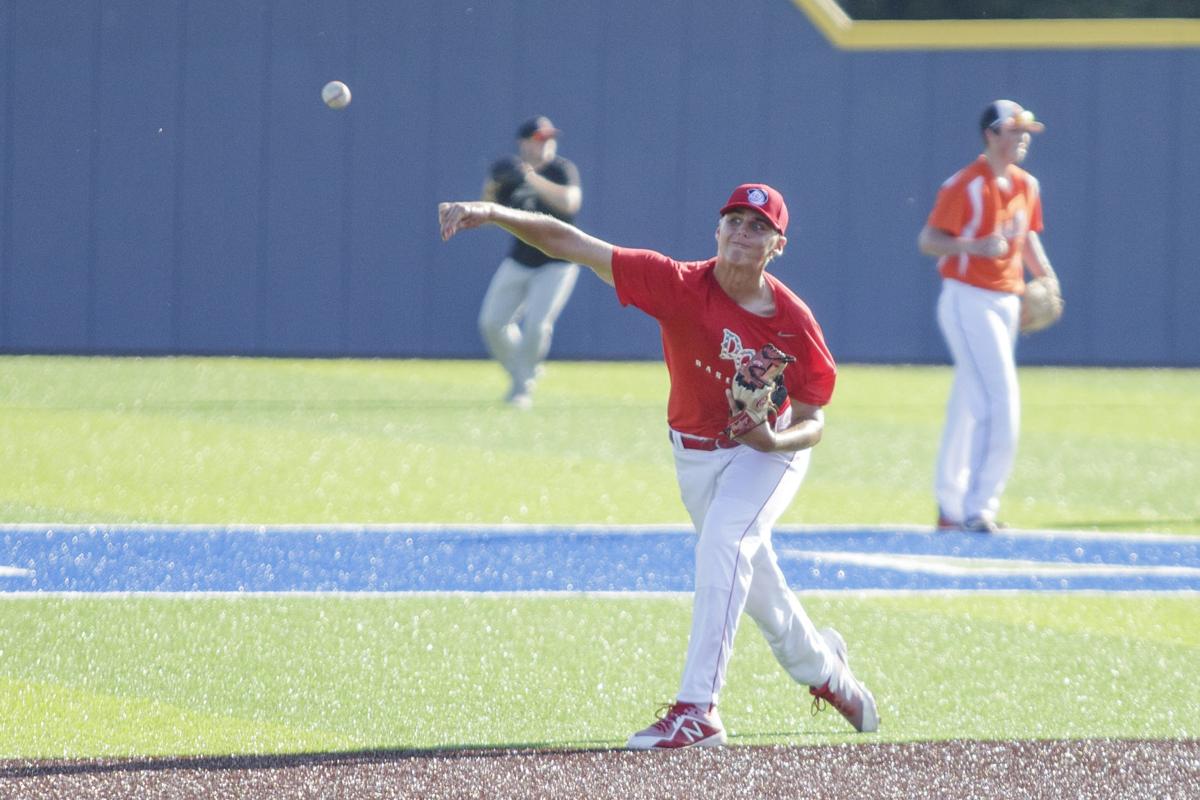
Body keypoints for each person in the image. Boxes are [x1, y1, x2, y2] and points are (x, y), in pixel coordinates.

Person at [440, 183, 879, 749]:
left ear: (778, 245)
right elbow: (569, 242)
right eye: (735, 221)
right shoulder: (676, 284)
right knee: (760, 592)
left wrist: (774, 442)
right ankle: (827, 672)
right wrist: (492, 213)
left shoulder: (792, 321)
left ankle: (699, 710)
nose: (743, 233)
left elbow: (815, 421)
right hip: (693, 454)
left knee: (724, 541)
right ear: (716, 232)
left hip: (766, 455)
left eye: (758, 226)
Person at [918, 100, 1061, 534]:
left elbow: (1027, 237)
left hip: (1005, 300)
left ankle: (951, 504)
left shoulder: (1026, 185)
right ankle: (980, 507)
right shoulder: (966, 185)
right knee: (999, 401)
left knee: (968, 401)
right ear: (990, 135)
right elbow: (929, 239)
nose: (1021, 140)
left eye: (1024, 133)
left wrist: (1048, 276)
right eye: (1013, 132)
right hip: (968, 299)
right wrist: (971, 247)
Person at [476, 115, 583, 409]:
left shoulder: (560, 170)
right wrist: (493, 185)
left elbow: (570, 203)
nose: (547, 143)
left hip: (559, 260)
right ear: (523, 143)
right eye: (539, 139)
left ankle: (521, 388)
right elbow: (489, 214)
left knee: (537, 326)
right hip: (521, 258)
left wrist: (530, 177)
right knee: (491, 323)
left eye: (550, 138)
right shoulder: (511, 171)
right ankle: (524, 373)